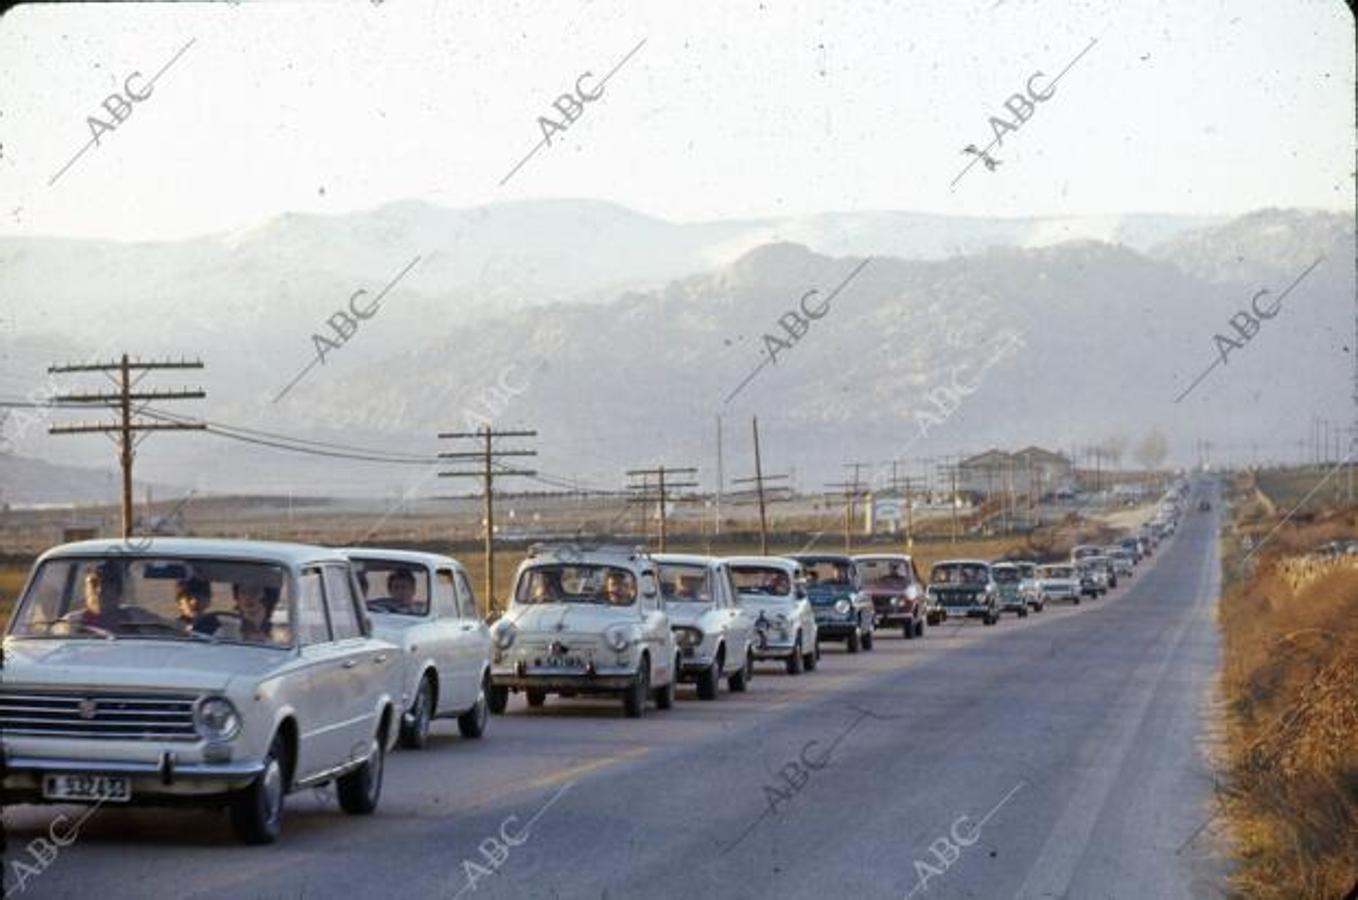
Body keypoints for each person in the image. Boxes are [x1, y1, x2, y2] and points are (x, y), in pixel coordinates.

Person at [66, 560, 128, 631]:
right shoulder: (72, 623)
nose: (99, 591)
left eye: (107, 585)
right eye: (94, 584)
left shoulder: (134, 621)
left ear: (117, 590)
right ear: (86, 589)